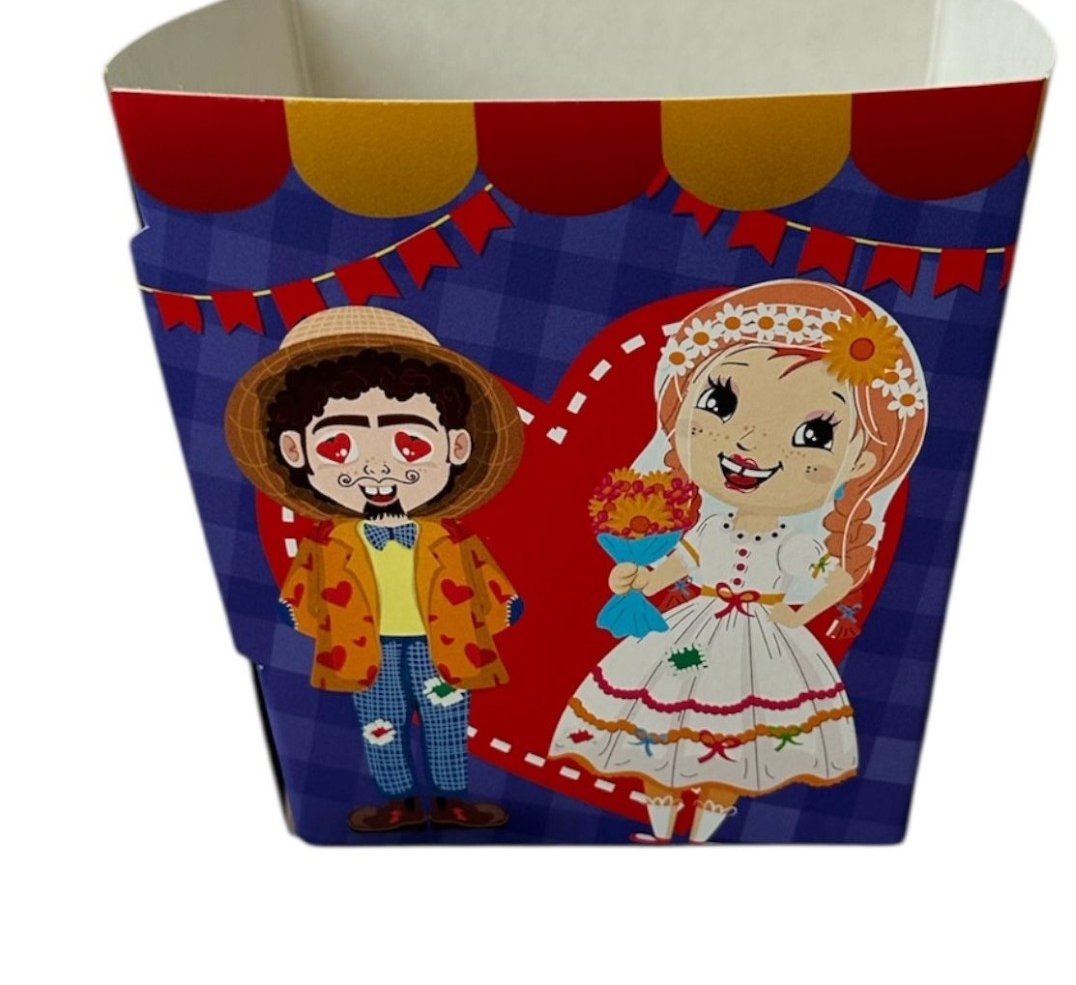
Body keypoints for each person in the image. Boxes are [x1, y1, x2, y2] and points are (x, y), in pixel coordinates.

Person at [550, 280, 928, 843]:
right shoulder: (709, 527)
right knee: (663, 730)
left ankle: (703, 837)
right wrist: (637, 579)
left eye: (814, 433)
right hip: (692, 629)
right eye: (720, 404)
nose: (749, 443)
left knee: (736, 744)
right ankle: (660, 833)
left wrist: (798, 615)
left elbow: (836, 579)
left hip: (763, 642)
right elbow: (678, 565)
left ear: (861, 460)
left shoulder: (793, 543)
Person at [225, 306, 524, 833]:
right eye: (339, 446)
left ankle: (450, 799)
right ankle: (399, 800)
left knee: (446, 721)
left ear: (457, 446)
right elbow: (298, 598)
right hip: (367, 648)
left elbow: (491, 585)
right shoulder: (327, 543)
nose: (378, 467)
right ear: (295, 450)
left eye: (409, 443)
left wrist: (498, 613)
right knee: (380, 724)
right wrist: (322, 626)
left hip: (442, 644)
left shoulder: (451, 536)